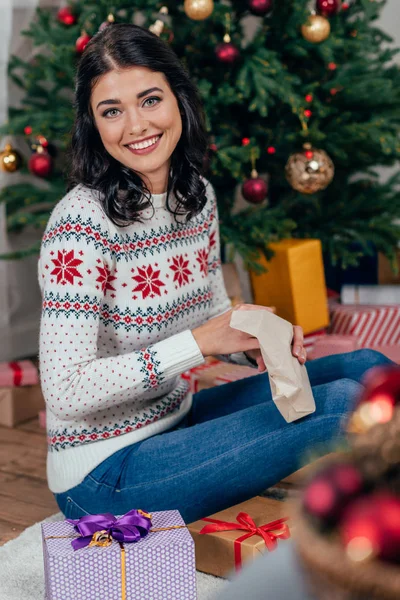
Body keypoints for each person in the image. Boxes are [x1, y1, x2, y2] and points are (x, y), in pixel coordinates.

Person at [38, 23, 392, 524]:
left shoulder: (195, 196)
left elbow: (210, 313)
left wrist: (253, 334)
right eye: (111, 111)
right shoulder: (81, 224)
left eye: (150, 100)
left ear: (179, 100)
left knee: (368, 368)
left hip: (175, 420)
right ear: (93, 125)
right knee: (339, 407)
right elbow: (65, 389)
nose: (135, 125)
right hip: (101, 474)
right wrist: (201, 342)